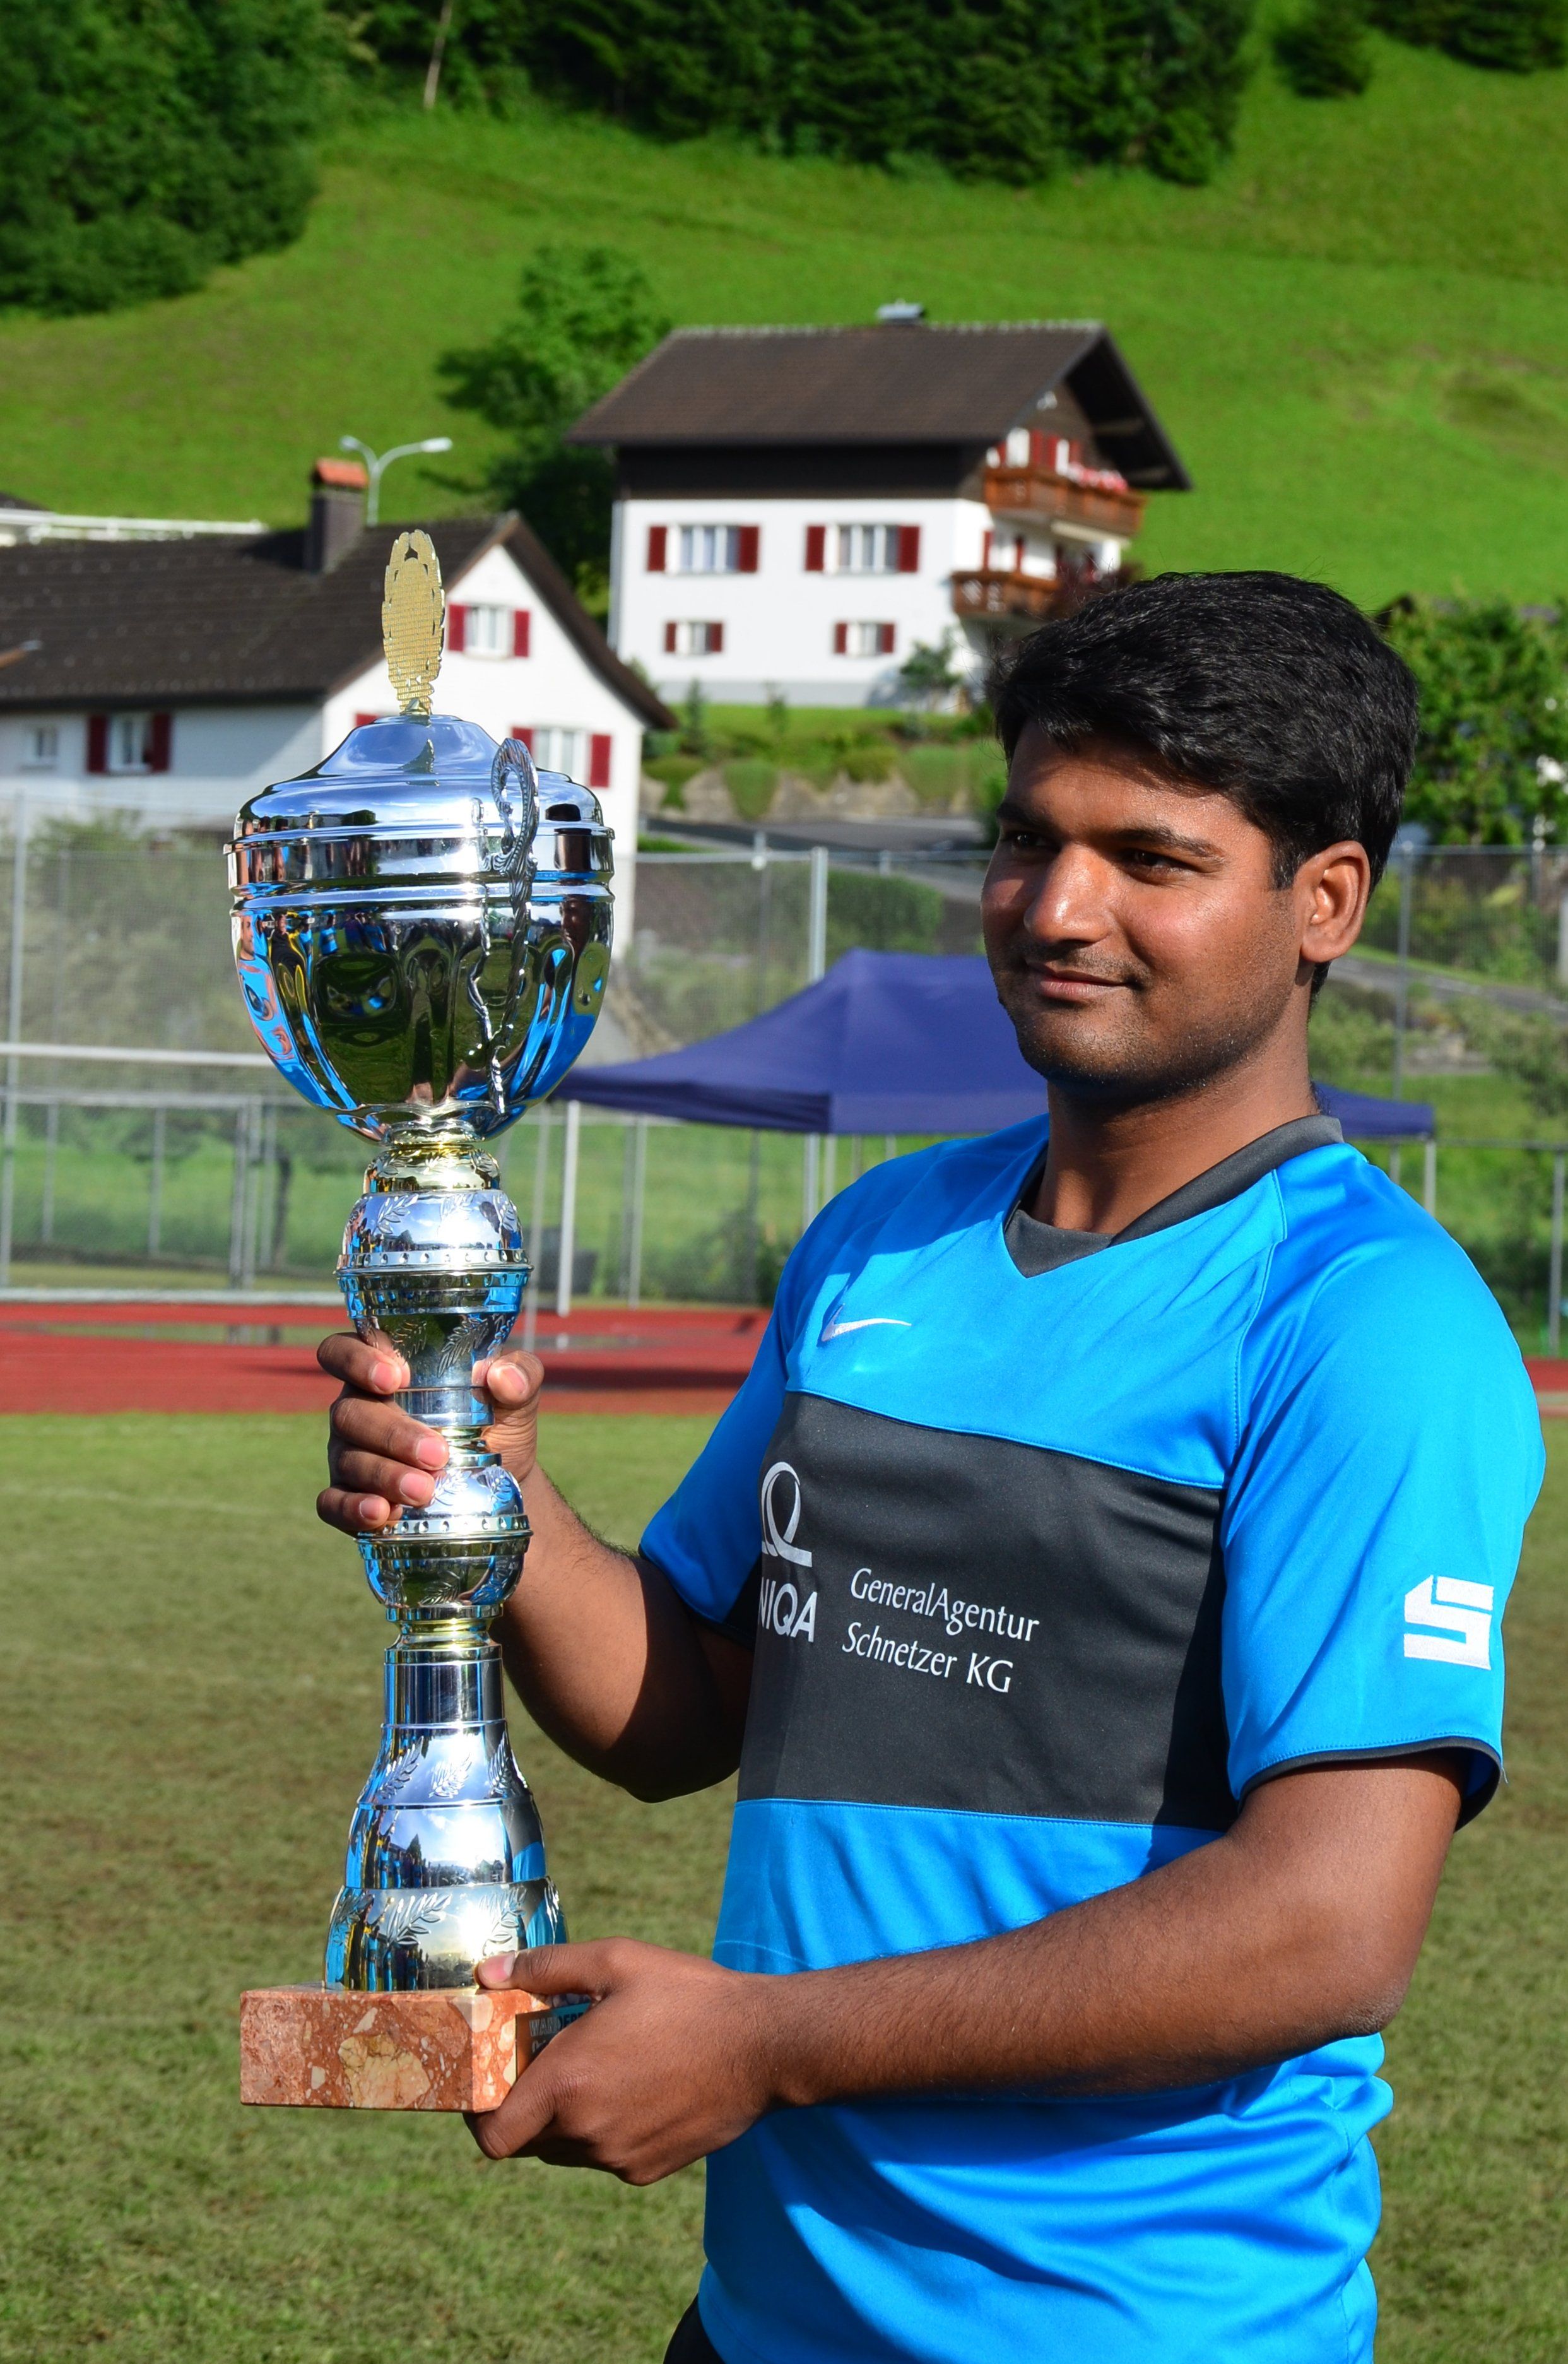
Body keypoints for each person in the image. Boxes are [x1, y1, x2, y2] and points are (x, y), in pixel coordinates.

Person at [317, 571, 1543, 2364]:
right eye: (1029, 839)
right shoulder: (882, 1239)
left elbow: (1326, 1924)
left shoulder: (1368, 1322)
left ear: (1325, 902)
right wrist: (490, 1496)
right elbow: (683, 1706)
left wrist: (767, 2042)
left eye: (1151, 857)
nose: (1058, 908)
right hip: (768, 2321)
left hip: (1131, 2332)